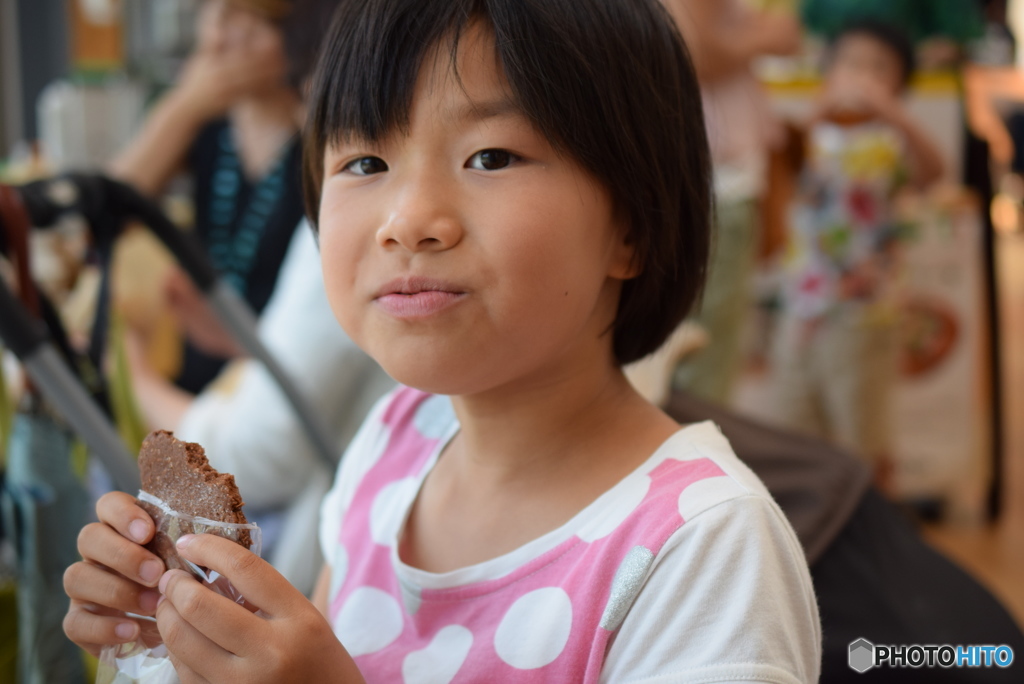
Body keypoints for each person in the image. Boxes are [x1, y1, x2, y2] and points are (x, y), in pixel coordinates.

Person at [63, 1, 822, 681]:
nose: (408, 218)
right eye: (365, 163)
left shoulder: (704, 549)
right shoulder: (394, 443)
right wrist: (183, 637)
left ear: (631, 227)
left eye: (490, 156)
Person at [767, 20, 944, 481]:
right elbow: (787, 173)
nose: (862, 74)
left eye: (879, 67)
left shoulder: (892, 142)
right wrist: (818, 113)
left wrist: (895, 115)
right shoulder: (815, 135)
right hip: (803, 304)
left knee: (862, 431)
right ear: (828, 69)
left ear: (899, 84)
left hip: (867, 311)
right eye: (850, 62)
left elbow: (934, 172)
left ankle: (874, 528)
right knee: (793, 423)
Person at [110, 0, 310, 394]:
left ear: (291, 34)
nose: (218, 39)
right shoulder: (204, 124)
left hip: (285, 375)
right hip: (199, 375)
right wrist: (182, 107)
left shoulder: (314, 137)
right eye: (210, 16)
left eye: (244, 21)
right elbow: (109, 212)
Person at [663, 0, 802, 403]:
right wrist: (759, 35)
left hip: (711, 179)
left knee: (697, 336)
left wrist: (742, 35)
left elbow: (788, 33)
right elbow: (698, 51)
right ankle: (697, 453)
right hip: (717, 182)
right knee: (708, 342)